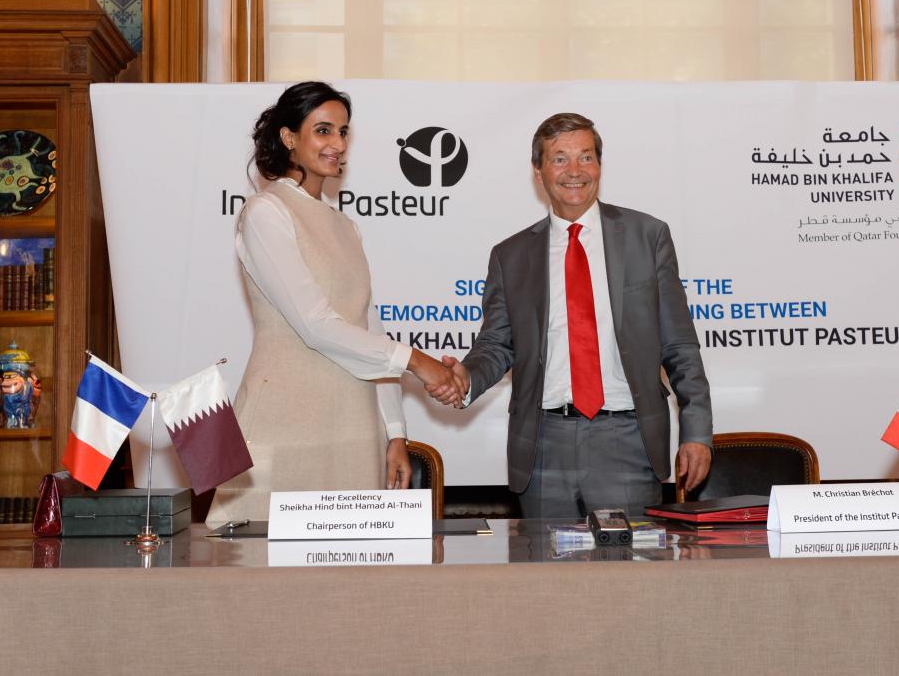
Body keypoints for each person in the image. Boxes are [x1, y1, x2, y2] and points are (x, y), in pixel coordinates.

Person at [206, 82, 464, 526]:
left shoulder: (346, 226)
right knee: (260, 582)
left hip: (353, 425)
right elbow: (315, 325)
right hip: (285, 422)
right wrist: (419, 362)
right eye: (323, 130)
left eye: (343, 132)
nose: (338, 144)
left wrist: (395, 434)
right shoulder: (267, 212)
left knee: (349, 583)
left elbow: (370, 330)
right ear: (289, 137)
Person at [435, 112, 713, 519]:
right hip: (544, 447)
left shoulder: (647, 237)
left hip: (628, 440)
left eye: (586, 157)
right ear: (538, 171)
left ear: (599, 165)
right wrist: (465, 377)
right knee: (549, 580)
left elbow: (680, 345)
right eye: (560, 158)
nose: (575, 171)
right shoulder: (510, 256)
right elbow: (496, 345)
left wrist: (697, 431)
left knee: (630, 577)